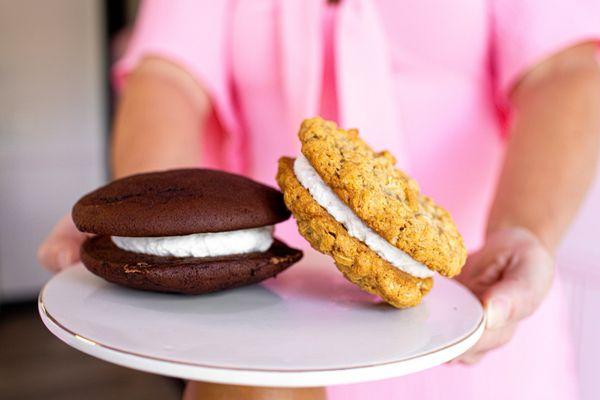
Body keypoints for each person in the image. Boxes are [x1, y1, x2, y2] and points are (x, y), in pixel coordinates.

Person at [38, 1, 600, 399]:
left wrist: (521, 231)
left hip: (470, 311)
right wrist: (150, 225)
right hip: (260, 338)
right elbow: (169, 74)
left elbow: (568, 68)